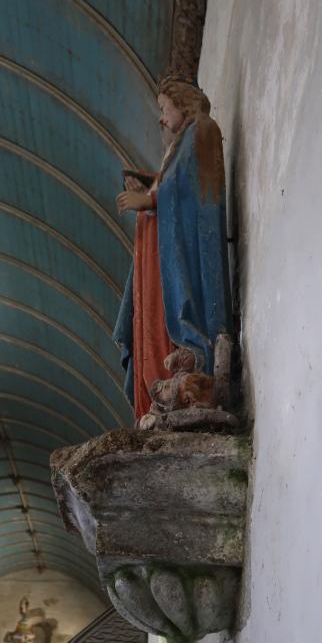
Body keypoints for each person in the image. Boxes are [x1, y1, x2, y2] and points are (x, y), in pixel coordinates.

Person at [113, 74, 233, 422]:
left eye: (165, 109)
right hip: (184, 243)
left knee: (188, 317)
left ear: (182, 103)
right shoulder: (184, 141)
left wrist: (149, 199)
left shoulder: (201, 131)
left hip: (194, 253)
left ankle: (198, 370)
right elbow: (176, 186)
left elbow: (187, 192)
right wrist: (150, 186)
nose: (162, 118)